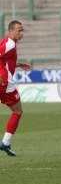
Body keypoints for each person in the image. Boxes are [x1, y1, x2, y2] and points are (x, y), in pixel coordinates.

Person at [0, 20, 31, 156]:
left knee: (17, 111)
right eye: (19, 30)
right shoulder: (9, 44)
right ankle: (5, 143)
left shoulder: (8, 42)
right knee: (17, 111)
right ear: (11, 31)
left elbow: (4, 60)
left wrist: (17, 64)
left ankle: (6, 143)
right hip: (4, 83)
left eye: (22, 30)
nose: (21, 33)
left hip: (5, 81)